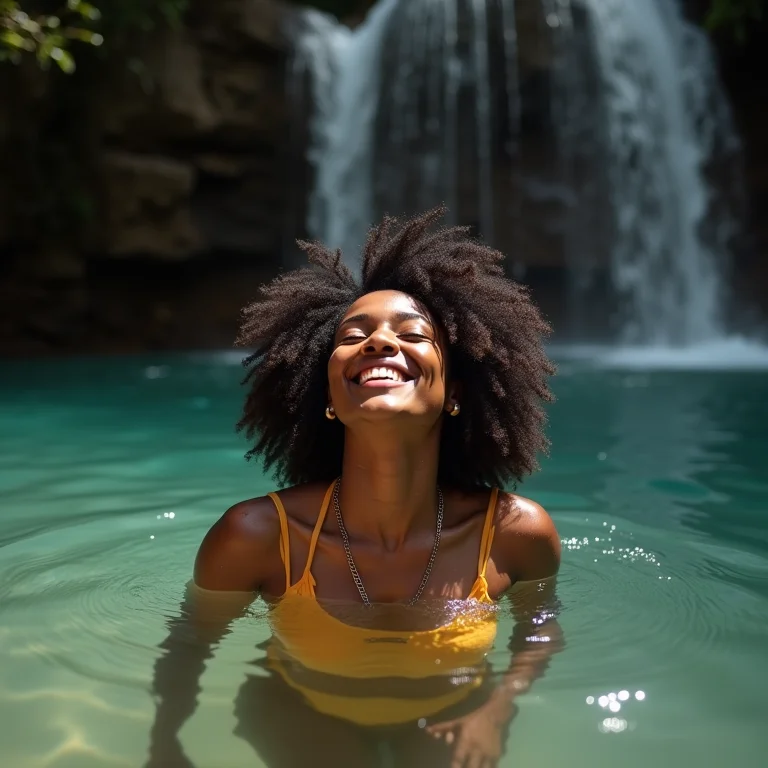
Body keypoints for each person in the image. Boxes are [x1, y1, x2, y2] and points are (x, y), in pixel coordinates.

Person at [146, 207, 563, 768]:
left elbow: (541, 631)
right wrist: (165, 744)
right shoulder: (257, 536)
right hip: (298, 709)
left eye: (412, 334)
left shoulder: (517, 534)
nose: (378, 344)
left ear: (456, 390)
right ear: (326, 395)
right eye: (354, 336)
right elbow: (189, 645)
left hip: (453, 712)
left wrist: (498, 709)